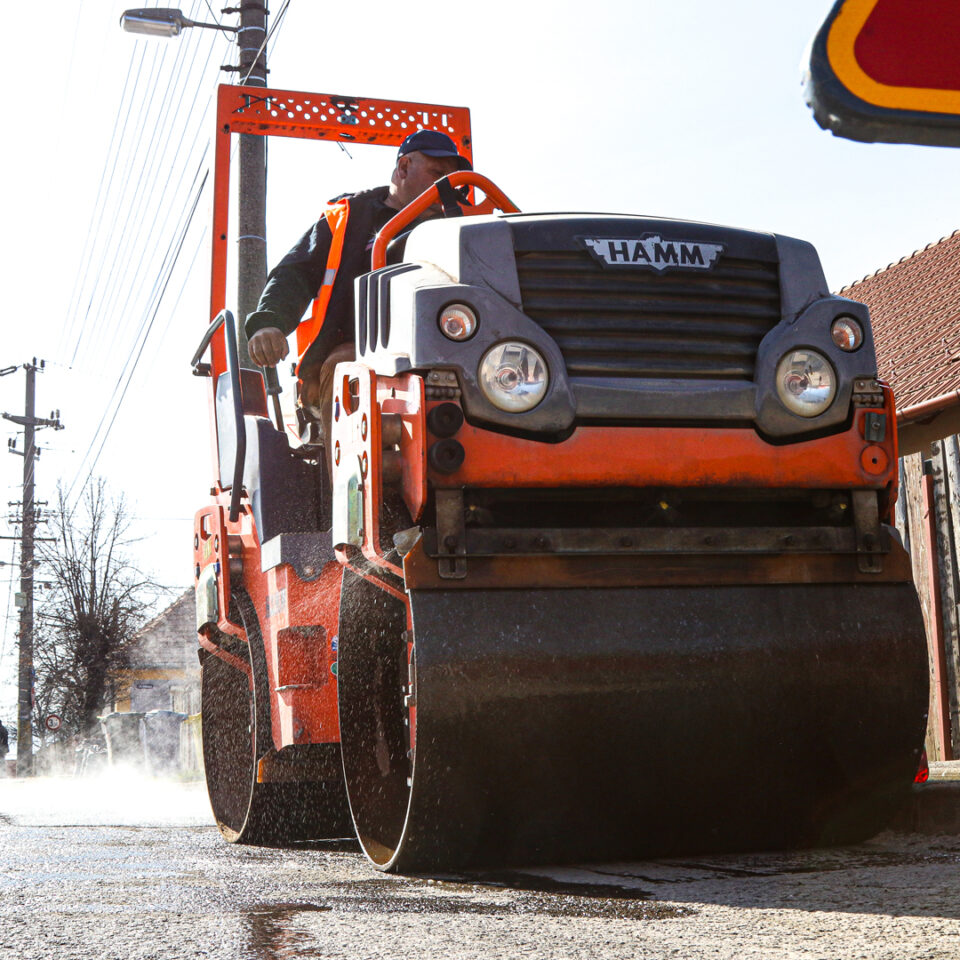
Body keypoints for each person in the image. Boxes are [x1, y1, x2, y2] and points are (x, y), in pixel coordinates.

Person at [245, 130, 471, 447]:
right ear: (404, 167)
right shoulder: (348, 218)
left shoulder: (465, 224)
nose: (447, 186)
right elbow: (295, 273)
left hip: (450, 352)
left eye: (453, 179)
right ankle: (351, 474)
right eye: (438, 174)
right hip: (359, 350)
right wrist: (269, 322)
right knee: (347, 367)